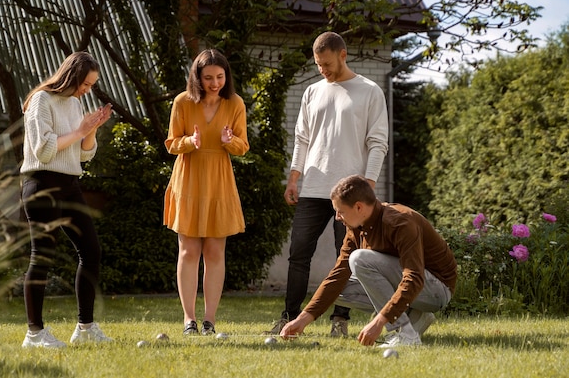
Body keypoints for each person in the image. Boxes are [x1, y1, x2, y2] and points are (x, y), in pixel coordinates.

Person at [267, 31, 389, 337]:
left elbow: (378, 143)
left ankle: (341, 319)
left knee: (348, 257)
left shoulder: (370, 91)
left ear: (343, 55)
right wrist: (294, 177)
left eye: (327, 63)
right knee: (298, 253)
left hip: (350, 194)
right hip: (313, 188)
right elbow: (302, 139)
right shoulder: (312, 92)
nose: (323, 69)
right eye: (319, 64)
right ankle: (289, 316)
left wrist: (368, 185)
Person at [280, 175, 457, 347]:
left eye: (340, 212)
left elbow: (414, 278)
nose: (337, 218)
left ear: (359, 207)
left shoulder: (400, 222)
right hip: (415, 289)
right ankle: (415, 316)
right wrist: (303, 319)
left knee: (359, 259)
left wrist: (379, 322)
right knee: (338, 290)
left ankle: (405, 333)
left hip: (436, 290)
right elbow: (338, 274)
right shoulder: (356, 227)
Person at [20, 52, 114, 348]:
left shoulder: (74, 103)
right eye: (85, 83)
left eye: (91, 85)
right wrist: (79, 131)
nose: (87, 89)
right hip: (42, 184)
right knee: (42, 257)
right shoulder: (41, 100)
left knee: (91, 251)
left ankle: (84, 328)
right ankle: (34, 334)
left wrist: (92, 128)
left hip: (70, 185)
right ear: (72, 76)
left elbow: (84, 154)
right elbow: (44, 149)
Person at [164, 48, 249, 336]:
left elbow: (243, 146)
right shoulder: (182, 102)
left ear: (227, 77)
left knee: (215, 252)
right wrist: (189, 141)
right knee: (188, 251)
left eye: (220, 77)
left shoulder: (235, 102)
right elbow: (171, 143)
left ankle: (209, 320)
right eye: (209, 77)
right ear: (197, 77)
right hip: (188, 178)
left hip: (219, 180)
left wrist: (230, 140)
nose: (215, 83)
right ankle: (189, 320)